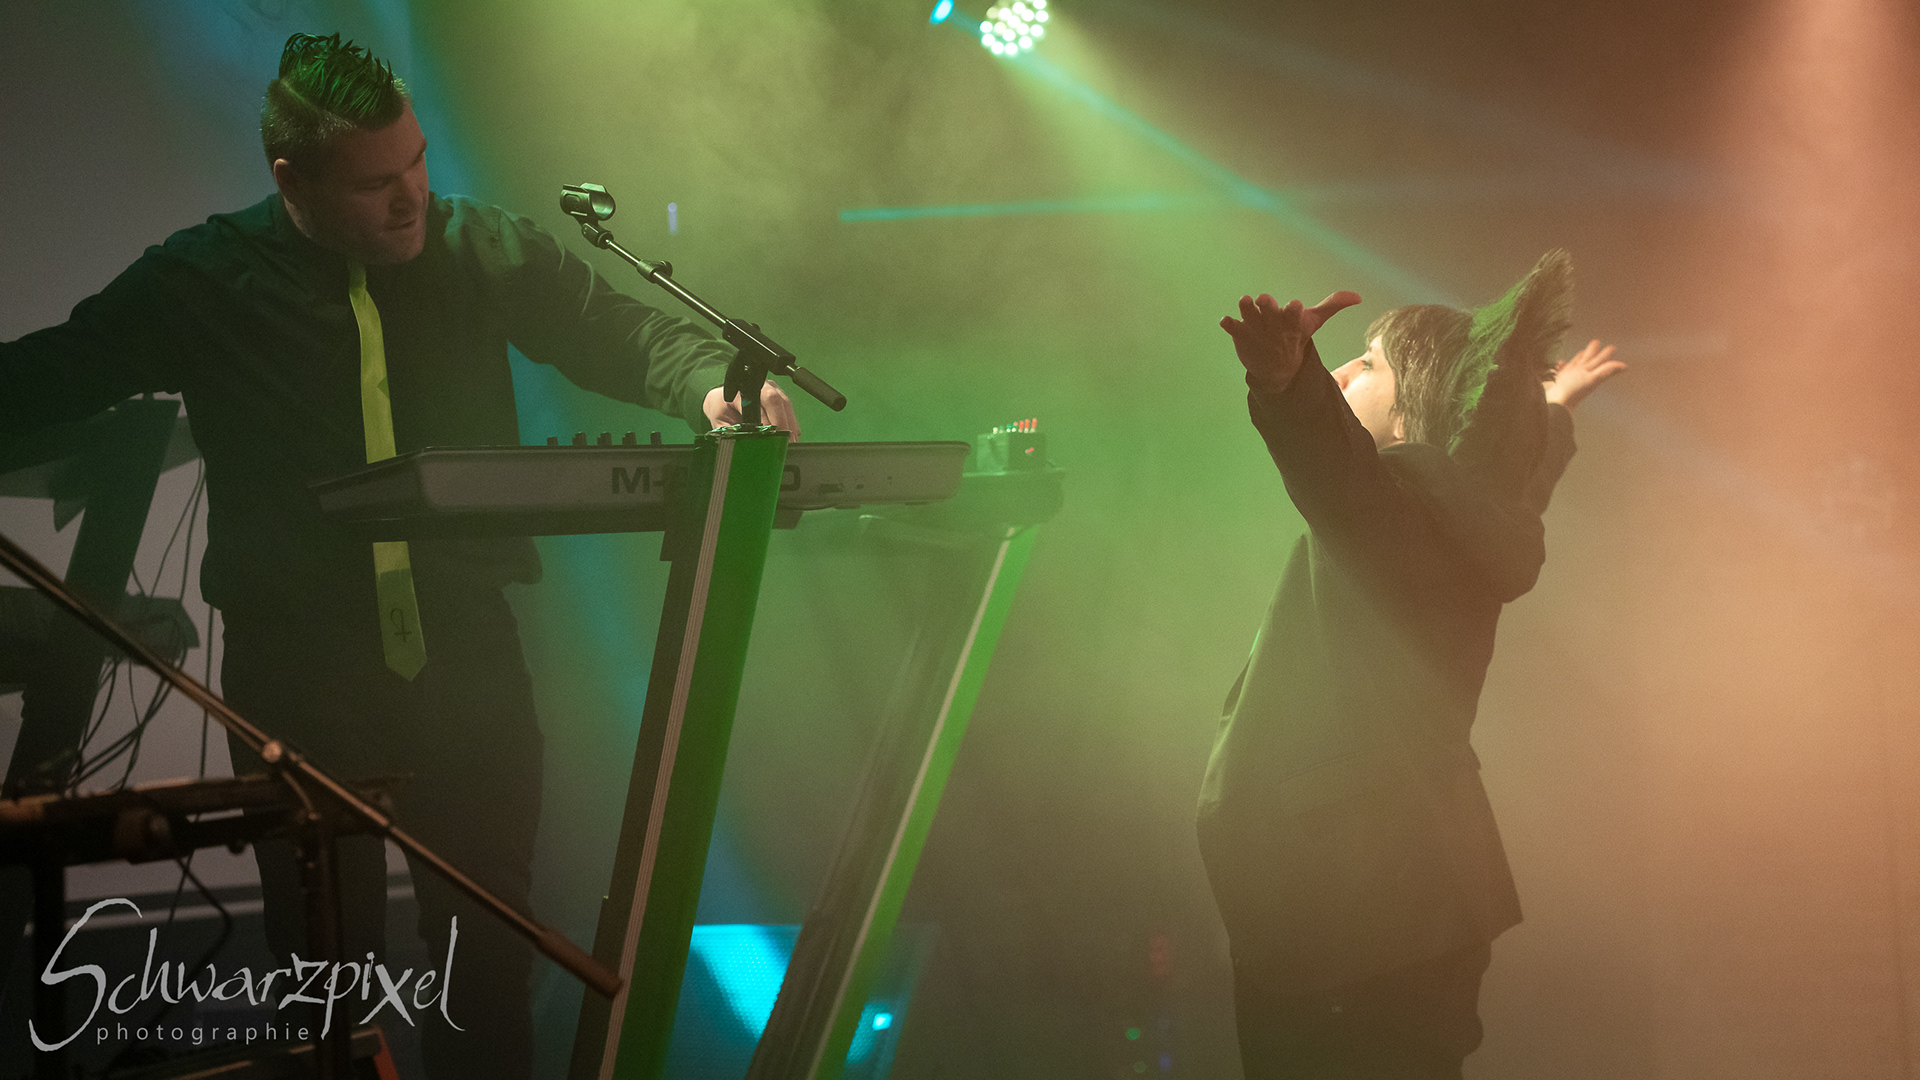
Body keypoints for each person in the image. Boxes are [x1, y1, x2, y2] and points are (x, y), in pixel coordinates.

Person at [0, 33, 797, 1078]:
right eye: (375, 183)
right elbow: (55, 372)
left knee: (492, 967)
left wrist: (716, 386)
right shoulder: (204, 277)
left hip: (472, 664)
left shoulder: (479, 247)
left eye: (416, 161)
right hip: (300, 682)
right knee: (325, 982)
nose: (411, 196)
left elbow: (618, 329)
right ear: (292, 179)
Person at [1196, 252, 1624, 1079]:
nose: (1345, 370)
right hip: (1420, 905)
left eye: (1369, 363)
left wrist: (1288, 386)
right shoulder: (1470, 522)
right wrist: (1551, 412)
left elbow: (1332, 469)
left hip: (1352, 907)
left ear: (1408, 411)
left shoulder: (1388, 517)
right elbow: (1516, 487)